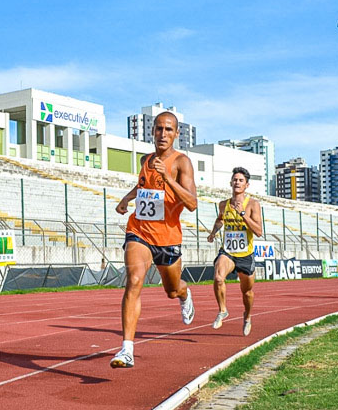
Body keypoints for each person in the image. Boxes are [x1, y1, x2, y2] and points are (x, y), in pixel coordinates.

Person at [110, 112, 198, 368]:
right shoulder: (146, 160)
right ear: (152, 131)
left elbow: (192, 203)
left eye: (168, 130)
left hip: (168, 237)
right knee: (134, 280)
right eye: (159, 129)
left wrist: (168, 177)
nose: (163, 134)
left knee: (171, 290)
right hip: (140, 230)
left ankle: (184, 294)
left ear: (176, 134)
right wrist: (128, 198)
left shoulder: (183, 162)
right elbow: (145, 187)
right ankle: (127, 349)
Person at [206, 167, 263, 336]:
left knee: (247, 292)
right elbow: (219, 220)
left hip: (245, 254)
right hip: (228, 251)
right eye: (235, 180)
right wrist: (213, 232)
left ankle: (248, 316)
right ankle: (223, 310)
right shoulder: (223, 204)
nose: (237, 182)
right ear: (230, 183)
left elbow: (259, 231)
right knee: (218, 277)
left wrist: (243, 214)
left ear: (247, 185)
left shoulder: (253, 204)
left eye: (241, 180)